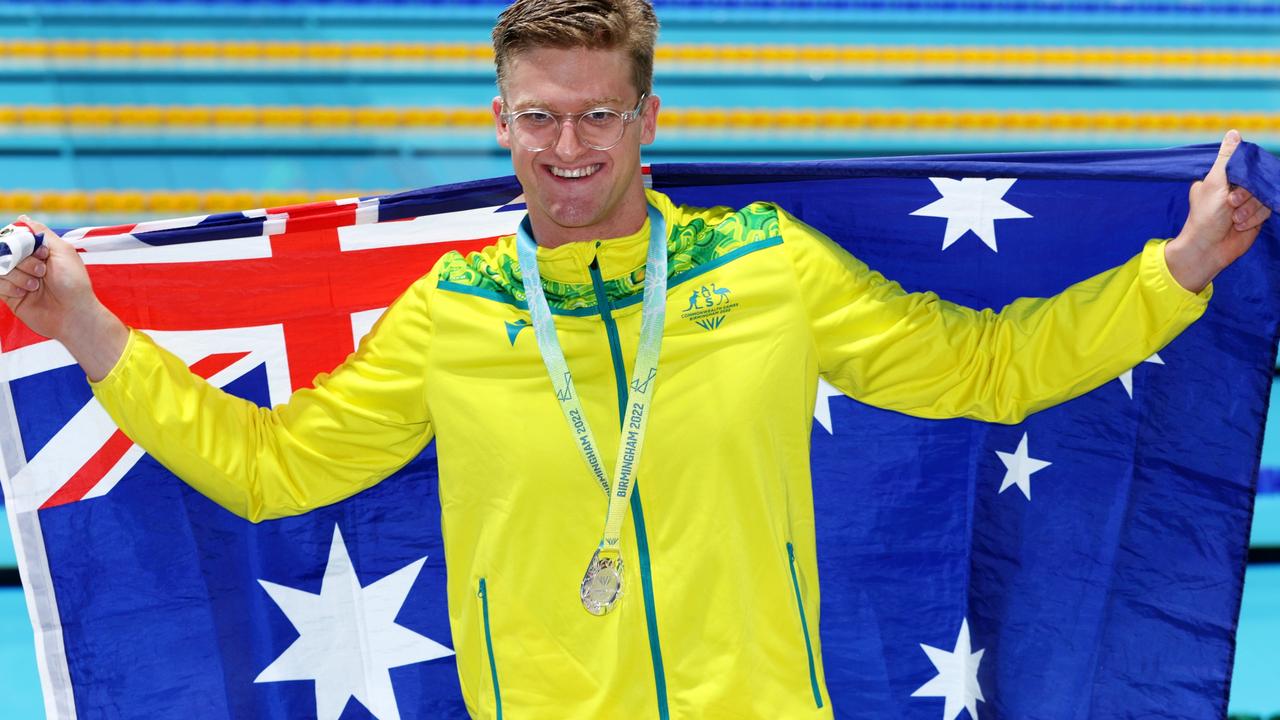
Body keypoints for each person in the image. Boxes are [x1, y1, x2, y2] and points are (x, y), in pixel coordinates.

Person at [1, 1, 1271, 718]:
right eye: (540, 116)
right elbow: (272, 469)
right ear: (497, 120)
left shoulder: (762, 266)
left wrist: (1181, 268)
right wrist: (82, 325)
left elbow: (989, 369)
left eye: (598, 113)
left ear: (647, 115)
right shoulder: (456, 310)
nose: (569, 147)